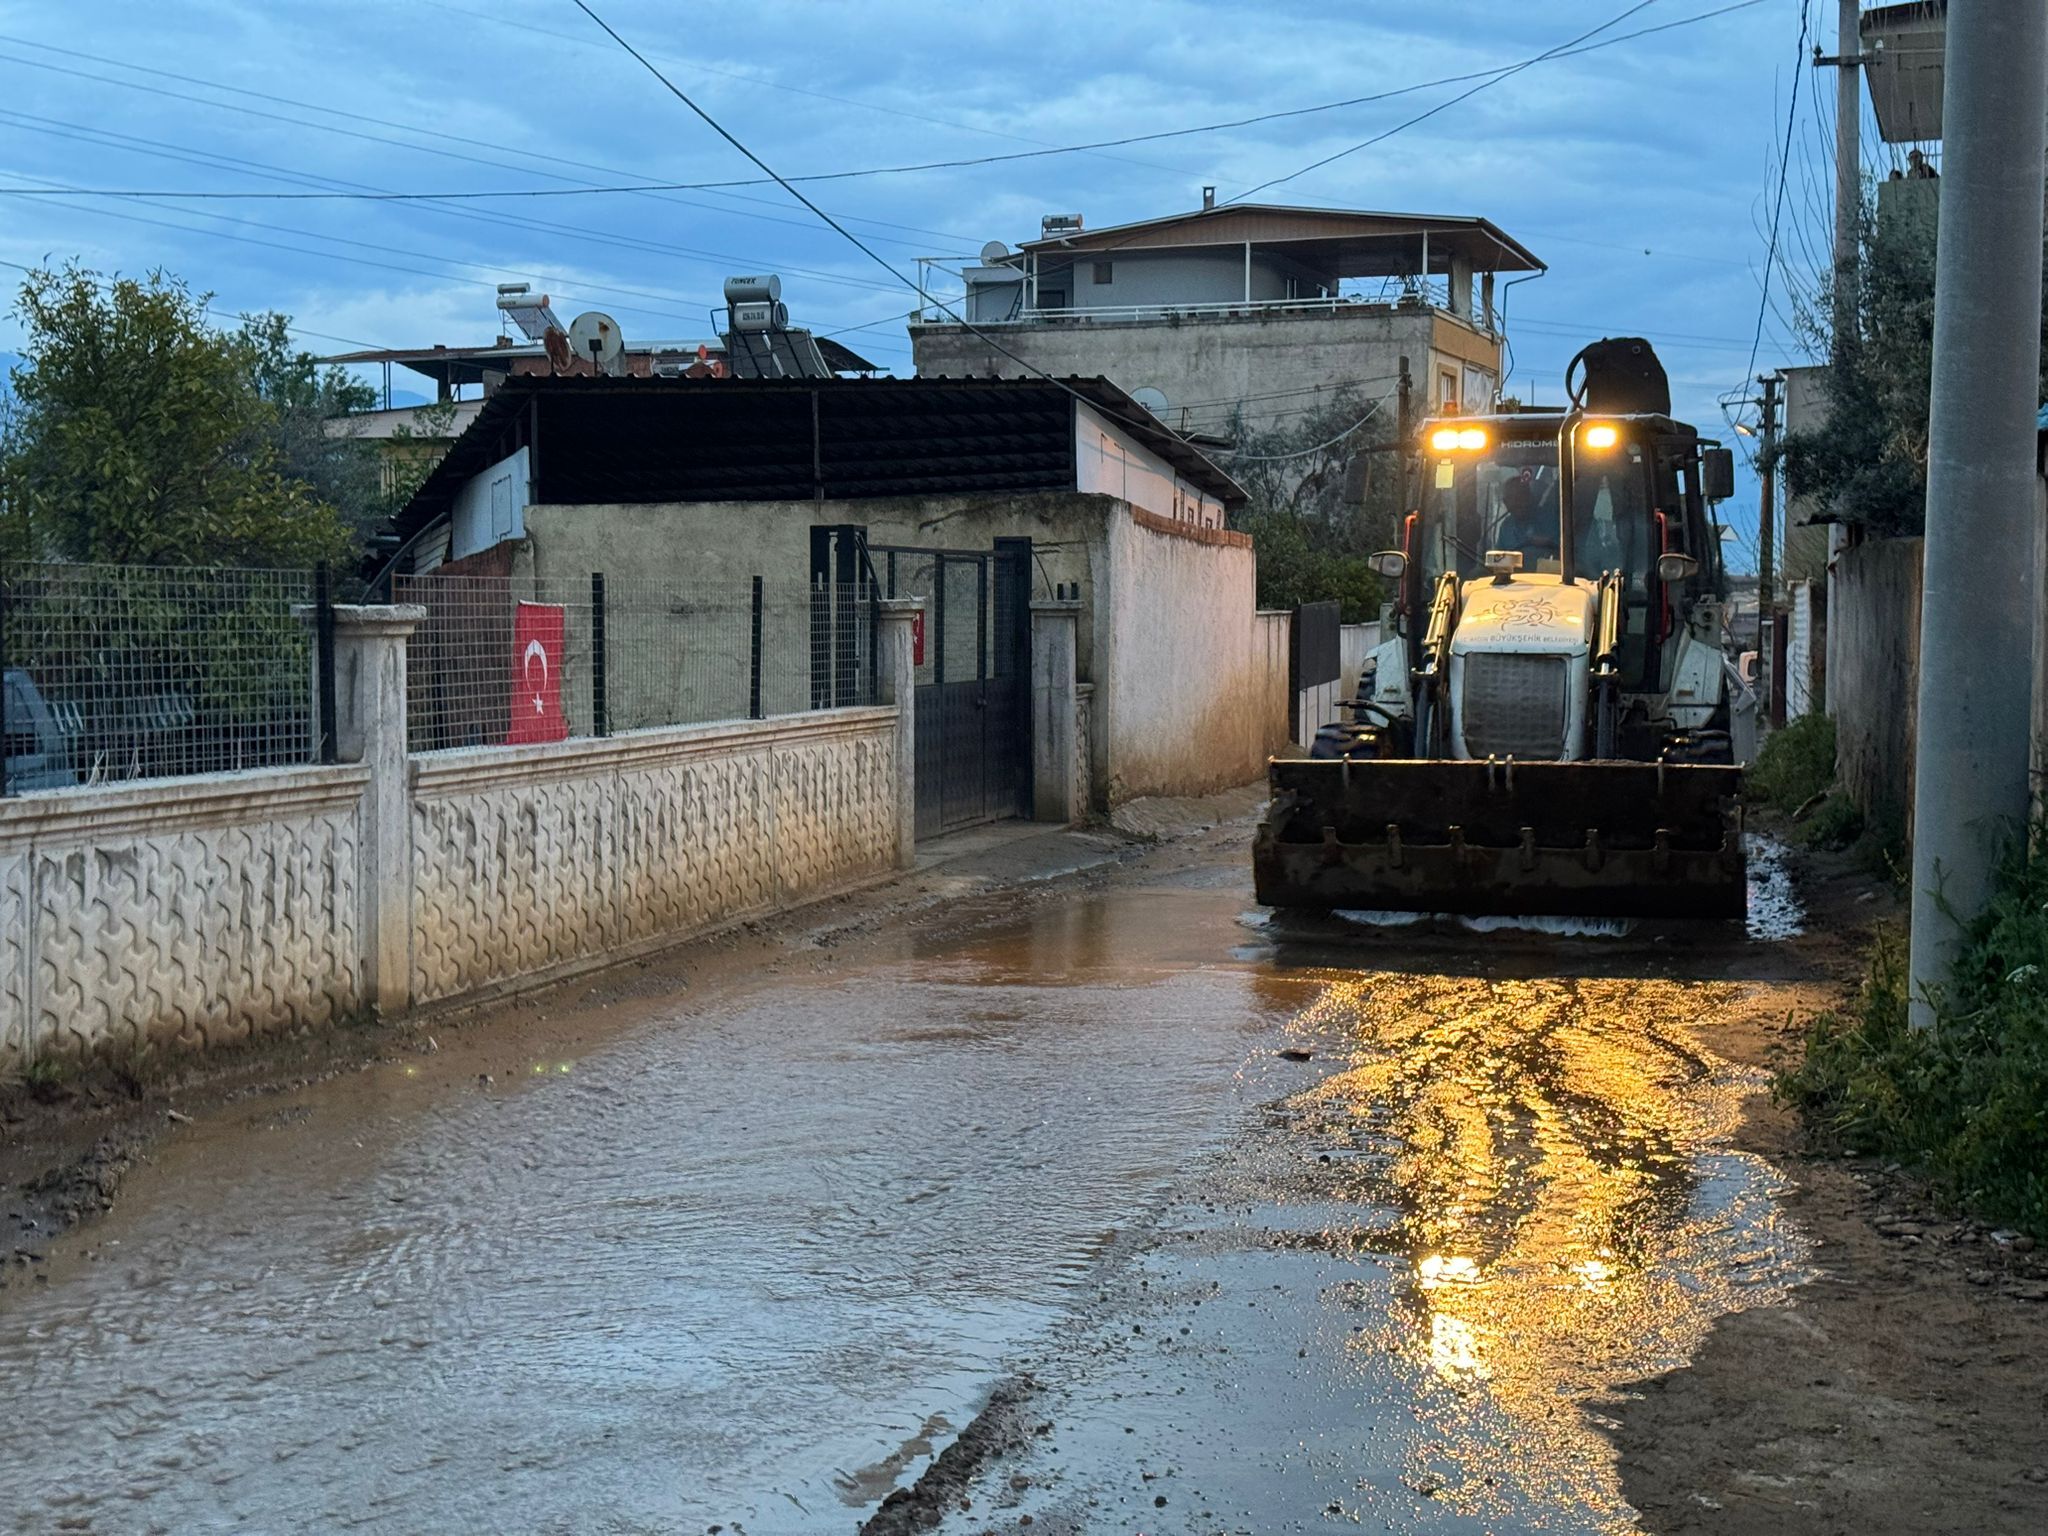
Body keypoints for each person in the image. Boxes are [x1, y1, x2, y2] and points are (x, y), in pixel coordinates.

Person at [1495, 471, 1558, 563]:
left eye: (1521, 497)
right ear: (1505, 502)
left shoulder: (1551, 518)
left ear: (1529, 496)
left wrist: (1549, 543)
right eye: (1512, 499)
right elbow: (1497, 560)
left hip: (1548, 575)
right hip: (1511, 575)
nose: (1517, 503)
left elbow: (1568, 552)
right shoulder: (1506, 526)